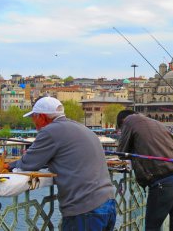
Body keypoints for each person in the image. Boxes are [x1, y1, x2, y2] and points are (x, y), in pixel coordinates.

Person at [7, 97, 116, 231]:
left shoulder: (50, 131)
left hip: (85, 209)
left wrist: (8, 166)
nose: (33, 122)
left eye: (33, 117)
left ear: (42, 117)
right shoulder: (80, 127)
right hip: (107, 203)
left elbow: (28, 163)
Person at [116, 110, 173, 231]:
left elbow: (121, 152)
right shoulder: (156, 123)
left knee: (152, 227)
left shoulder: (129, 120)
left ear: (122, 122)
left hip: (164, 182)